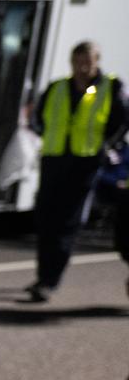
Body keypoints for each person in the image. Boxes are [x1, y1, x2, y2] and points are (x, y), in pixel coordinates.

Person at [26, 41, 129, 304]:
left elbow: (122, 120)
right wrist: (42, 135)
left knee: (66, 222)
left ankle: (49, 281)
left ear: (97, 61)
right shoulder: (58, 87)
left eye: (87, 62)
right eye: (77, 61)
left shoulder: (109, 87)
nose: (82, 68)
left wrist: (107, 147)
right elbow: (38, 118)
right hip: (54, 159)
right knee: (46, 219)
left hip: (85, 162)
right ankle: (43, 275)